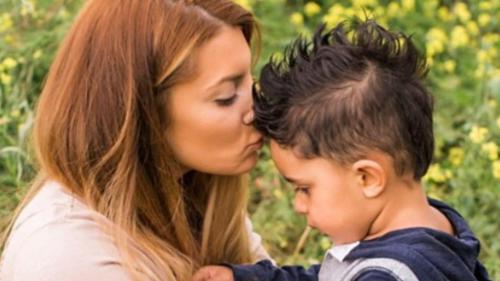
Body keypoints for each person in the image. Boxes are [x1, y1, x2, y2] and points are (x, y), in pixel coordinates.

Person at [192, 19, 491, 281]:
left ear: (367, 178)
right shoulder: (436, 227)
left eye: (304, 188)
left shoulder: (388, 275)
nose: (299, 205)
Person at [0, 0, 271, 280]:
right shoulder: (67, 258)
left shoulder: (198, 197)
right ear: (143, 112)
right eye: (225, 97)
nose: (260, 110)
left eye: (251, 81)